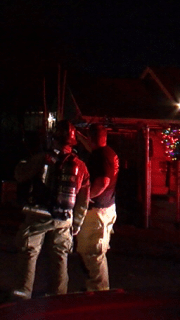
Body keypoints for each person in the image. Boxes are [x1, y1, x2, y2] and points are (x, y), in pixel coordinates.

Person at [11, 119, 90, 299]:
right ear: (72, 143)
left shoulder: (42, 158)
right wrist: (76, 224)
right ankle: (58, 298)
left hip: (38, 215)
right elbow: (83, 199)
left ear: (53, 139)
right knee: (60, 257)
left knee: (29, 253)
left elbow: (20, 175)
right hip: (64, 218)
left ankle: (22, 296)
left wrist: (24, 161)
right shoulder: (81, 166)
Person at [75, 123, 119, 291]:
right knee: (96, 252)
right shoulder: (109, 152)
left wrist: (85, 198)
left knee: (91, 254)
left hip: (96, 213)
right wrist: (80, 136)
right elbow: (92, 145)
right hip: (107, 209)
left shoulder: (99, 157)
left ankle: (99, 293)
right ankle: (97, 291)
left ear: (92, 138)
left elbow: (102, 182)